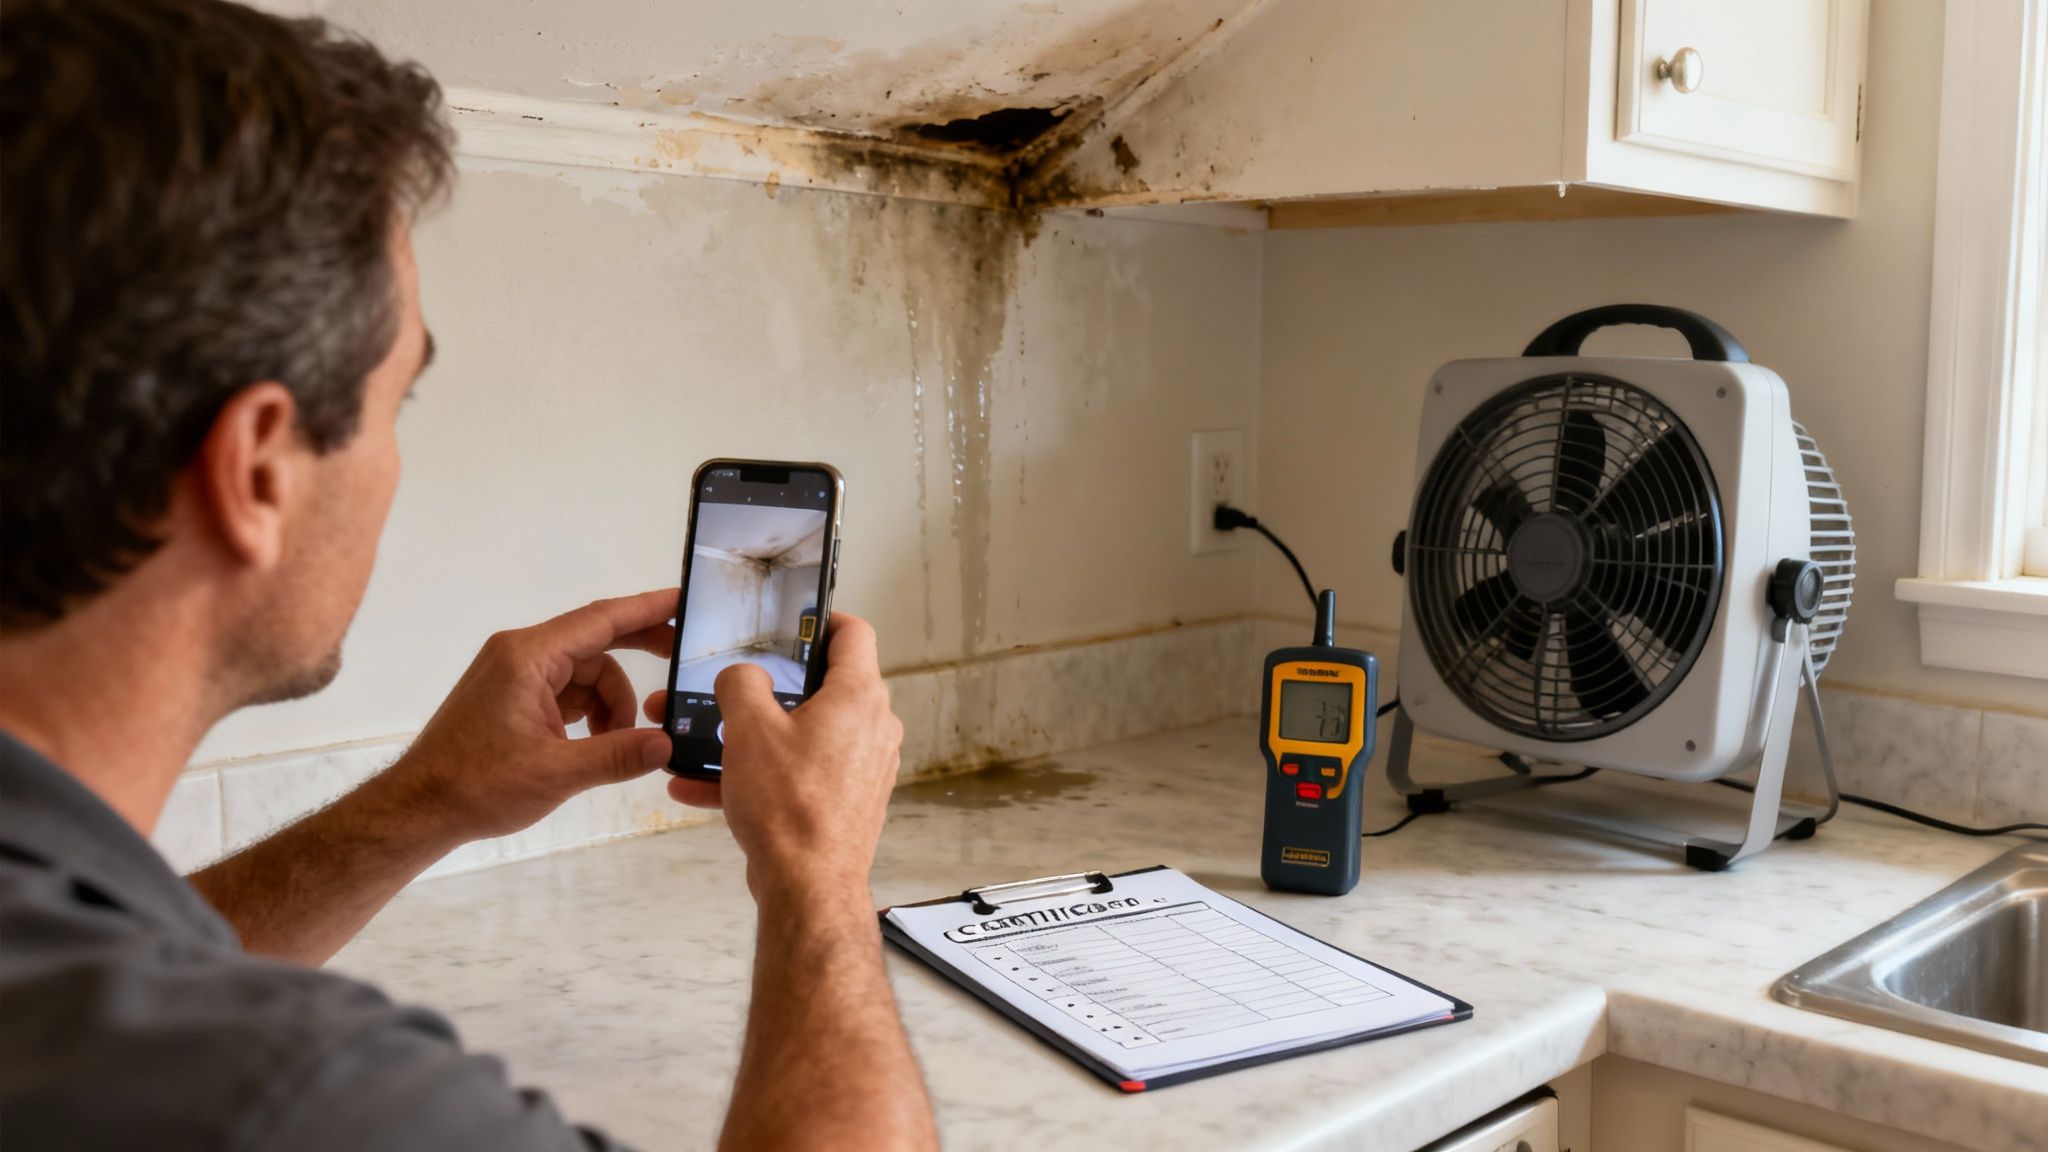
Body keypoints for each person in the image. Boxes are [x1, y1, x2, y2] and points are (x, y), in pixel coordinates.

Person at [0, 1, 939, 1148]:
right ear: (253, 469)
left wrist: (428, 801)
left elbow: (117, 986)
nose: (396, 460)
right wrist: (816, 874)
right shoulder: (293, 1098)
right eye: (401, 401)